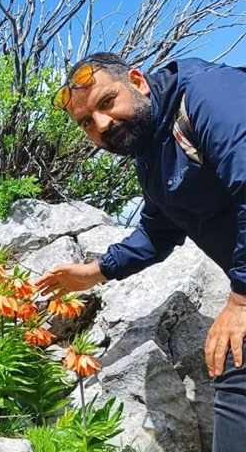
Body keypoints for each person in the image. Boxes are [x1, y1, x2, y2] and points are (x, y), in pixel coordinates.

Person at [32, 52, 246, 450]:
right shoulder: (151, 150)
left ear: (138, 81)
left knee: (237, 365)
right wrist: (95, 271)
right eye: (86, 123)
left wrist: (241, 302)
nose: (102, 125)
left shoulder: (207, 95)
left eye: (107, 102)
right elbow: (158, 229)